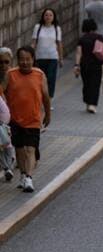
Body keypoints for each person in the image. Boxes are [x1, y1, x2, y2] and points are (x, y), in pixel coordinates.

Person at [4, 46, 51, 193]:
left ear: (33, 59)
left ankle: (29, 177)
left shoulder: (40, 75)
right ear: (18, 60)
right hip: (15, 120)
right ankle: (23, 175)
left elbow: (46, 97)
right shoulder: (10, 74)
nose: (25, 62)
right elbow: (1, 91)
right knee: (19, 149)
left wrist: (48, 114)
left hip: (33, 119)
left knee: (31, 149)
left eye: (28, 59)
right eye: (22, 59)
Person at [73, 19, 103, 114]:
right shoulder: (100, 37)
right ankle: (92, 105)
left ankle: (88, 102)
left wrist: (77, 65)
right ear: (94, 26)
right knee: (95, 85)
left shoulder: (82, 39)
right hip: (97, 64)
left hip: (85, 65)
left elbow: (78, 53)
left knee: (86, 84)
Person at [32, 8, 63, 100]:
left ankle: (48, 99)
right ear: (43, 16)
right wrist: (30, 55)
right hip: (40, 57)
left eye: (50, 15)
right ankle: (40, 98)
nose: (48, 17)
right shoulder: (38, 27)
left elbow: (59, 44)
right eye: (46, 15)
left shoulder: (57, 28)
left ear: (53, 17)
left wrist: (61, 58)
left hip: (53, 57)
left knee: (51, 78)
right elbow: (34, 42)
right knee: (40, 79)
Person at [0, 93, 13, 183]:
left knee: (1, 150)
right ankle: (8, 169)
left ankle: (6, 168)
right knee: (8, 146)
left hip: (2, 122)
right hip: (5, 121)